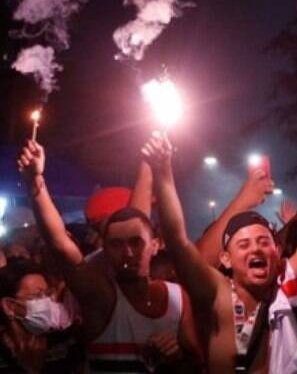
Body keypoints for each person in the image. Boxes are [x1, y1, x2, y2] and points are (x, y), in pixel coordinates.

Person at [141, 116, 297, 373]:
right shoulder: (217, 294)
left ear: (276, 251)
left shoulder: (288, 286)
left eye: (264, 241)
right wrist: (163, 172)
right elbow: (177, 241)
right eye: (243, 245)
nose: (255, 249)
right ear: (226, 259)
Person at [17, 140, 201, 373]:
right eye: (116, 244)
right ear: (104, 249)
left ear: (155, 245)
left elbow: (196, 362)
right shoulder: (100, 297)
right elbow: (61, 245)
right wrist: (35, 181)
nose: (128, 252)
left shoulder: (177, 297)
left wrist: (176, 355)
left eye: (136, 243)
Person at [0, 258, 81, 373]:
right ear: (9, 306)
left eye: (48, 294)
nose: (47, 302)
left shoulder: (64, 342)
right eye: (37, 296)